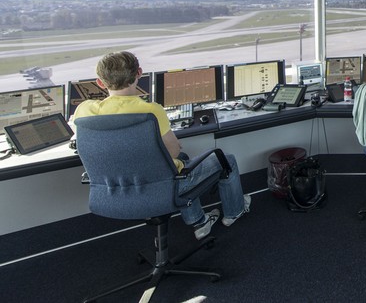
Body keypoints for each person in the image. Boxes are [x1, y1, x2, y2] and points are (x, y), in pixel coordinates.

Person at [70, 51, 250, 239]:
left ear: (100, 82)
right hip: (163, 187)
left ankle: (199, 221)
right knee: (225, 160)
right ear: (139, 73)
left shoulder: (84, 110)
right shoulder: (150, 110)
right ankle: (234, 212)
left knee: (183, 159)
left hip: (113, 189)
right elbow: (172, 151)